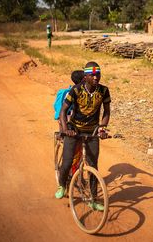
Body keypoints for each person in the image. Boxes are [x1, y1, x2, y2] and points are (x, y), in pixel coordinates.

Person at [55, 61, 111, 211]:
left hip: (92, 130)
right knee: (67, 162)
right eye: (92, 75)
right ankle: (62, 185)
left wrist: (102, 128)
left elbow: (106, 111)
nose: (96, 77)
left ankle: (93, 199)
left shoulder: (104, 91)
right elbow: (63, 111)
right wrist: (66, 129)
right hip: (74, 130)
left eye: (98, 74)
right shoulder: (76, 90)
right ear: (85, 77)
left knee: (93, 166)